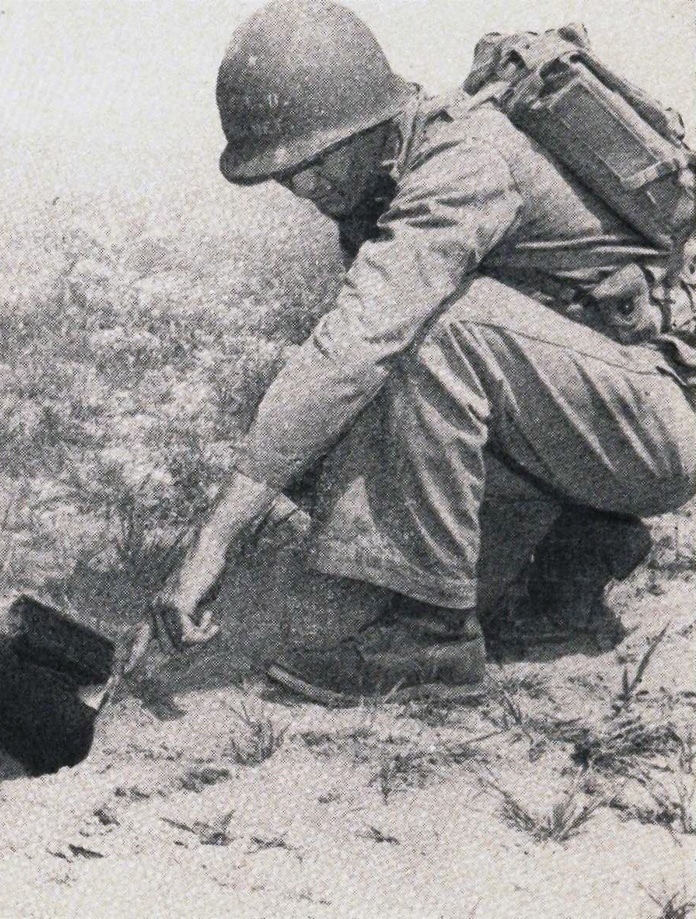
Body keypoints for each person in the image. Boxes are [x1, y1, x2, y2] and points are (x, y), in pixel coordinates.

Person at [148, 0, 696, 706]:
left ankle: (430, 639)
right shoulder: (394, 172)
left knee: (429, 332)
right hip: (604, 414)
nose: (302, 188)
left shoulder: (466, 161)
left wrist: (214, 540)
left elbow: (358, 344)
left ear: (366, 122)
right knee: (328, 419)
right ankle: (572, 551)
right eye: (285, 175)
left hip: (663, 419)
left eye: (312, 162)